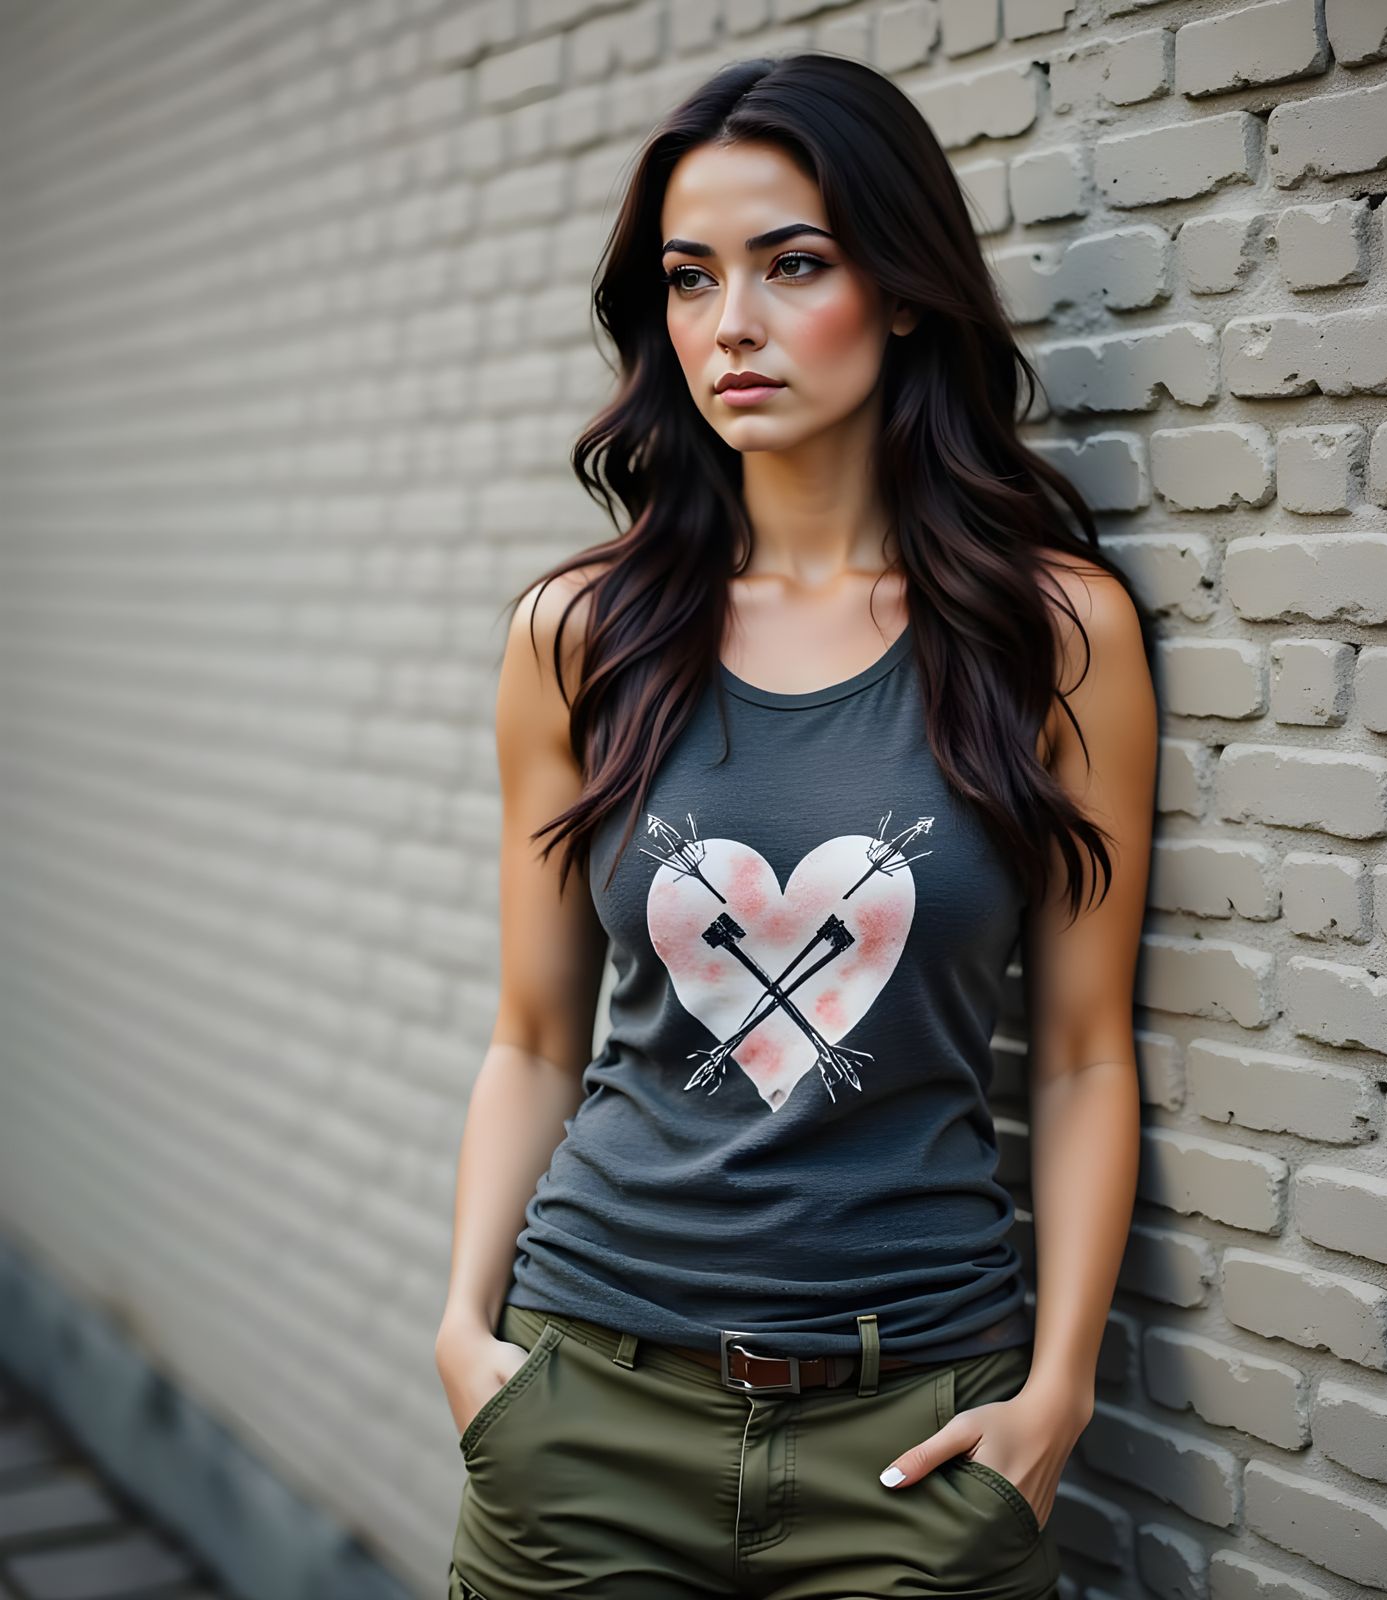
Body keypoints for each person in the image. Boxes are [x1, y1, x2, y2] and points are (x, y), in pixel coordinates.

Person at [434, 51, 1156, 1600]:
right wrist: (466, 1333)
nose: (730, 326)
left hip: (918, 1427)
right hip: (586, 1403)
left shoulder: (1054, 636)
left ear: (903, 291)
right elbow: (533, 1035)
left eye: (795, 265)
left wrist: (1061, 1388)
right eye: (692, 281)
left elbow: (1088, 1050)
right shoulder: (582, 632)